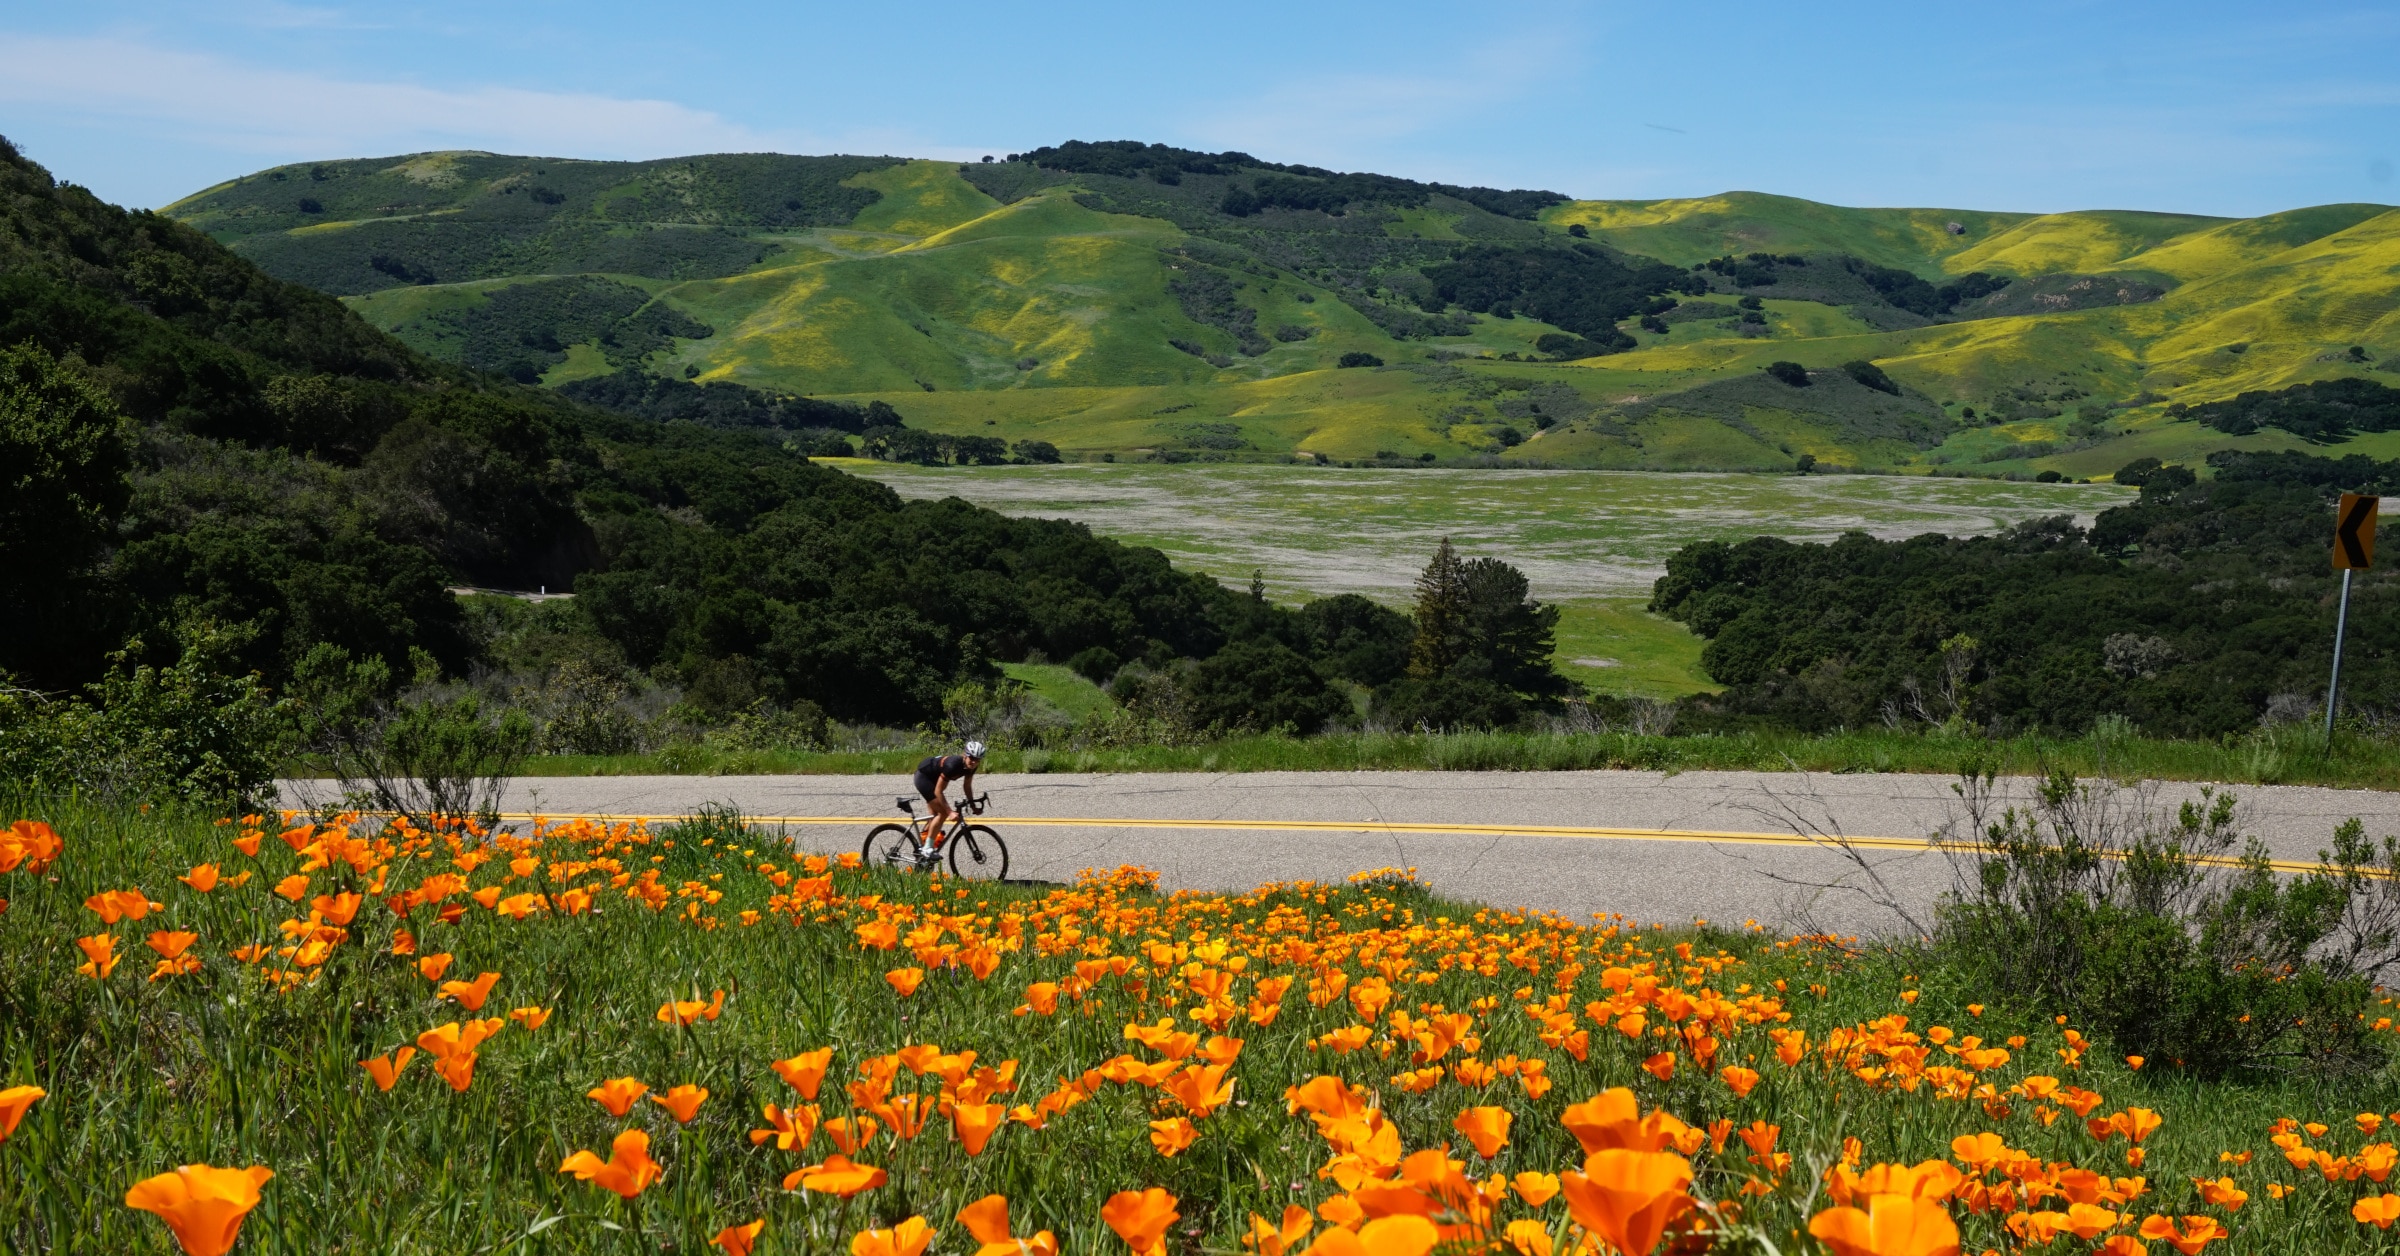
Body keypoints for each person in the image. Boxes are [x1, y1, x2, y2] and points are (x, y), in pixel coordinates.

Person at [913, 740, 984, 846]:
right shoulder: (953, 765)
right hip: (924, 776)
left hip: (935, 777)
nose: (974, 762)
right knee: (943, 813)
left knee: (934, 815)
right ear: (965, 755)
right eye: (972, 758)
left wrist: (973, 806)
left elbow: (967, 786)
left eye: (977, 759)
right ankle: (927, 848)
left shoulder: (971, 767)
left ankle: (923, 848)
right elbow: (938, 791)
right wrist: (950, 811)